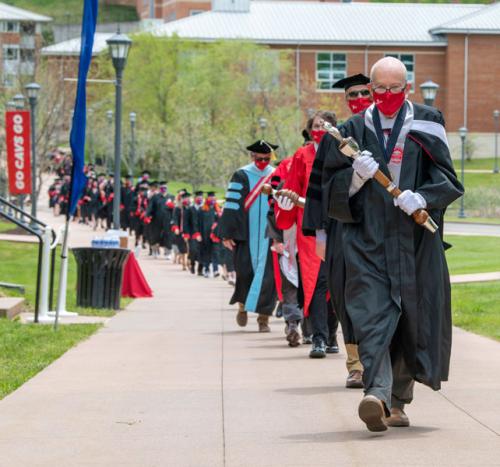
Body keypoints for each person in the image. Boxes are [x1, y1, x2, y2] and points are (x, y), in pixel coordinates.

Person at [320, 56, 463, 432]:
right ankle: (377, 394)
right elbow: (327, 190)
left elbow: (447, 178)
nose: (385, 95)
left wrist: (424, 198)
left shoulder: (428, 123)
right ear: (371, 86)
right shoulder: (352, 129)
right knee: (370, 315)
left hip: (413, 240)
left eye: (393, 89)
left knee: (412, 322)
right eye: (378, 88)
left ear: (407, 87)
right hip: (366, 240)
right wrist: (354, 179)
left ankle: (398, 401)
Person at [305, 74, 373, 387]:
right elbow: (320, 185)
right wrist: (320, 233)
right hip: (344, 227)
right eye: (353, 95)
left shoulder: (396, 133)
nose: (359, 98)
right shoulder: (338, 135)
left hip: (385, 228)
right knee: (348, 296)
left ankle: (386, 363)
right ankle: (356, 364)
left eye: (364, 92)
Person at [276, 112, 339, 359]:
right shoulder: (302, 156)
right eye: (316, 126)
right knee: (315, 283)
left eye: (325, 126)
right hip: (311, 229)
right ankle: (319, 338)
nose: (320, 130)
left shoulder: (343, 152)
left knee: (337, 285)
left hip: (339, 227)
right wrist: (285, 213)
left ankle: (333, 334)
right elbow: (291, 190)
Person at [218, 140, 278, 333]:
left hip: (270, 234)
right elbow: (232, 206)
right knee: (245, 274)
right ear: (252, 156)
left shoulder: (276, 174)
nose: (262, 161)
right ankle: (242, 306)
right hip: (245, 234)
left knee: (269, 278)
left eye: (266, 158)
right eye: (259, 158)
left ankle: (264, 318)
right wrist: (227, 233)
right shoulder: (241, 174)